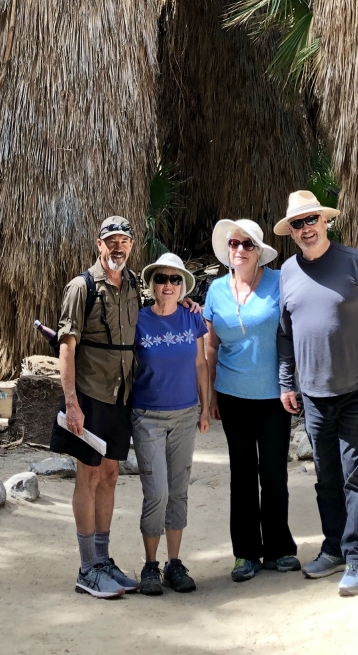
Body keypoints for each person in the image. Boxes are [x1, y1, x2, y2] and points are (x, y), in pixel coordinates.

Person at [276, 190, 358, 598]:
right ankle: (334, 548)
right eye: (298, 224)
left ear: (325, 222)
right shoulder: (287, 273)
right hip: (312, 395)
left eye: (311, 220)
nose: (306, 228)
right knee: (326, 478)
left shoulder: (354, 263)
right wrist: (286, 381)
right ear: (291, 232)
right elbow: (285, 333)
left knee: (357, 479)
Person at [50, 215, 142, 600]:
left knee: (109, 475)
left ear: (131, 246)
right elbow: (66, 347)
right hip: (90, 396)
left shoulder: (134, 285)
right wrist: (72, 404)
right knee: (87, 477)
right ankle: (87, 567)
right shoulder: (81, 286)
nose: (118, 247)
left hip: (122, 396)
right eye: (111, 241)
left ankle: (103, 561)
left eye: (124, 240)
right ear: (99, 244)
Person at [205, 218, 300, 583]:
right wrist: (210, 394)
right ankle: (245, 553)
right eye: (234, 244)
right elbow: (211, 345)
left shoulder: (279, 282)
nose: (240, 250)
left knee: (274, 474)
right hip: (232, 396)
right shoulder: (216, 290)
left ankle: (279, 548)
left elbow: (296, 329)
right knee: (241, 475)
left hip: (275, 396)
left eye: (247, 244)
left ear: (259, 251)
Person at [131, 251, 211, 596]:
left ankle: (173, 563)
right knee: (157, 492)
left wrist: (205, 409)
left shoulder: (192, 318)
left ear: (183, 286)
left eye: (175, 279)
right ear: (151, 284)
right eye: (161, 278)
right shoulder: (137, 320)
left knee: (178, 490)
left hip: (184, 414)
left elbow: (200, 365)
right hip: (147, 416)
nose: (168, 285)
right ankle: (150, 565)